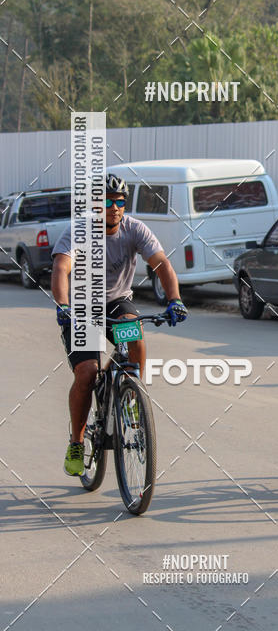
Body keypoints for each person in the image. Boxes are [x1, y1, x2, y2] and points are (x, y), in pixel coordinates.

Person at [52, 173, 188, 476]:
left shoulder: (134, 229)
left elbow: (162, 264)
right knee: (87, 373)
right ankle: (77, 442)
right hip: (82, 310)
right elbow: (61, 267)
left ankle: (130, 393)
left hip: (116, 302)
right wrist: (63, 305)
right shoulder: (79, 230)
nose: (114, 207)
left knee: (135, 337)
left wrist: (175, 299)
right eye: (107, 202)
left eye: (119, 201)